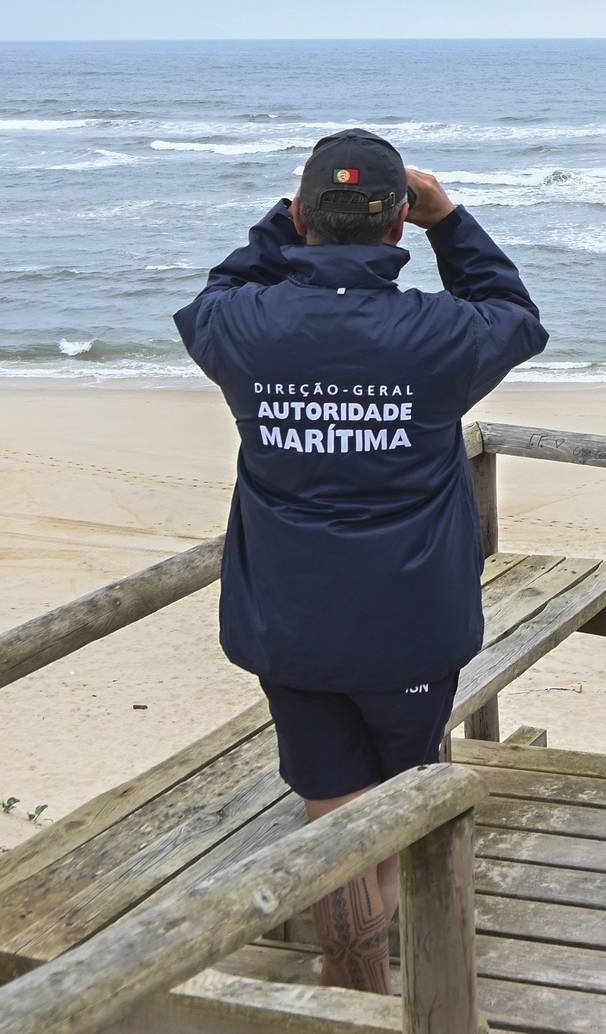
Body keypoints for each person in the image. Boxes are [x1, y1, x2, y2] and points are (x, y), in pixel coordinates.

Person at [174, 128, 545, 993]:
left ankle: (356, 981)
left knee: (331, 805)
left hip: (289, 620)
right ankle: (385, 973)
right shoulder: (439, 333)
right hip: (412, 623)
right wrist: (449, 220)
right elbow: (514, 316)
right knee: (393, 800)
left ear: (302, 217)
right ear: (398, 228)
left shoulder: (241, 327)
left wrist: (289, 219)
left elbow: (218, 289)